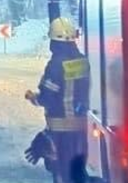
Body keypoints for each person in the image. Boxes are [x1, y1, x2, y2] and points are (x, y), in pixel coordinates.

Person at [25, 17, 89, 183]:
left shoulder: (55, 65)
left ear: (54, 41)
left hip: (61, 131)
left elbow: (48, 98)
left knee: (62, 173)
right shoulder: (83, 61)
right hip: (82, 128)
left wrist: (33, 98)